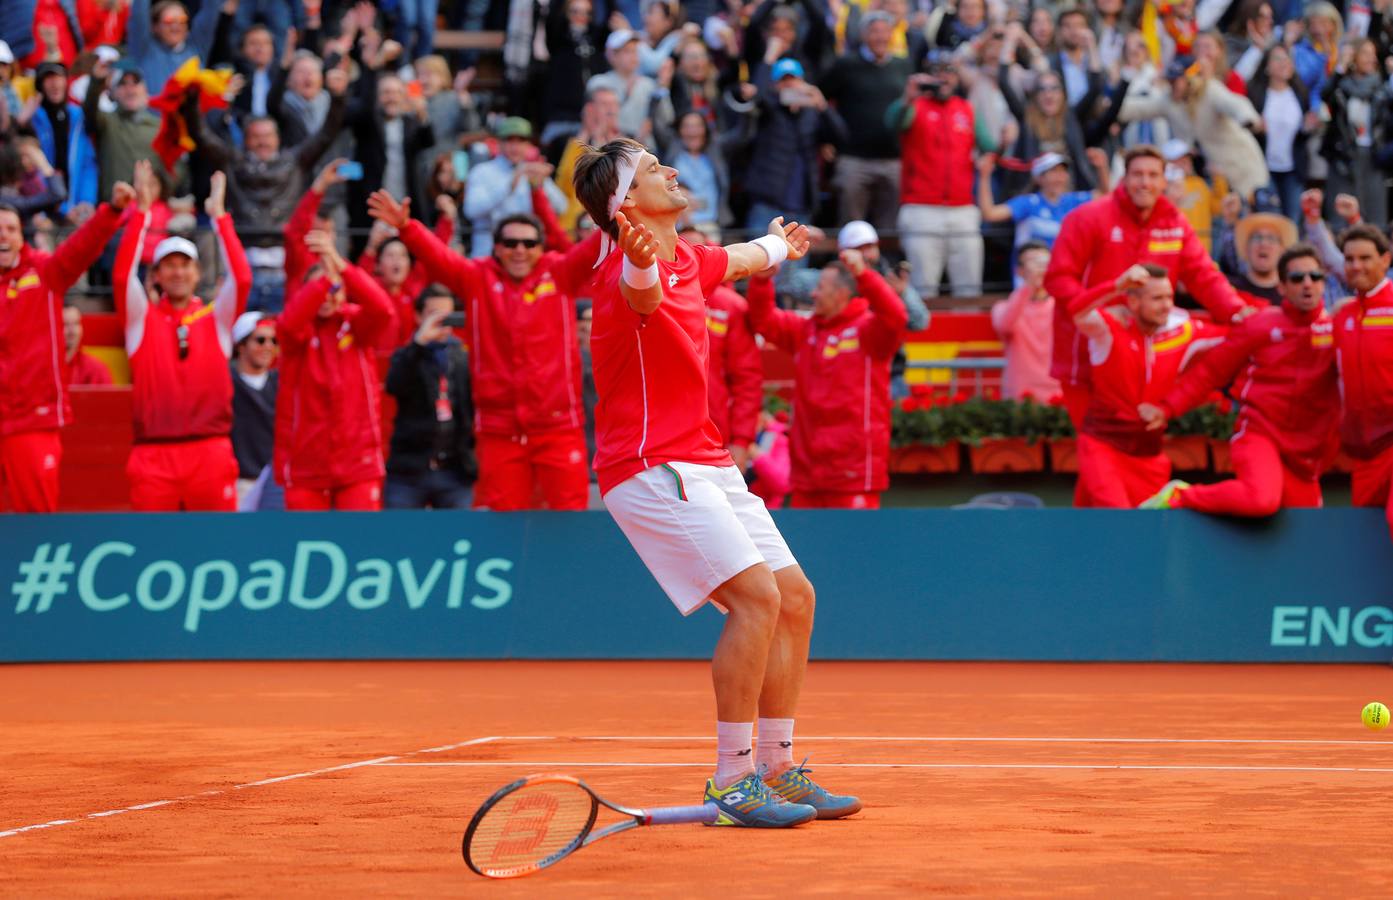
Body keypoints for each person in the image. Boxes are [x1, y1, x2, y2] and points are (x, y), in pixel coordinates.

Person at [571, 136, 858, 825]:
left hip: (704, 460)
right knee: (756, 600)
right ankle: (731, 783)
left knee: (793, 597)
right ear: (625, 203)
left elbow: (742, 258)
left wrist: (778, 244)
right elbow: (641, 290)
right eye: (649, 169)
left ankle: (777, 768)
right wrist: (639, 262)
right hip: (649, 467)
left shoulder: (691, 259)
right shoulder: (624, 273)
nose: (668, 169)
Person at [368, 181, 597, 512]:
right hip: (499, 430)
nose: (519, 249)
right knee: (505, 529)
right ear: (497, 247)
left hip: (558, 427)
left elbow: (593, 248)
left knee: (569, 522)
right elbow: (439, 257)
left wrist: (622, 209)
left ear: (540, 246)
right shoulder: (477, 278)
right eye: (510, 242)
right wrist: (406, 227)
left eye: (528, 243)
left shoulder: (559, 273)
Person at [1043, 144, 1248, 431]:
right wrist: (1100, 317)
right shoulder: (1087, 218)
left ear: (1165, 181)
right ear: (1124, 179)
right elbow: (1058, 279)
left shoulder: (1174, 221)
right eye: (1137, 174)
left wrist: (1237, 312)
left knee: (1141, 446)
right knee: (1097, 451)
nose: (1145, 182)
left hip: (1144, 361)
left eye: (1153, 175)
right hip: (1086, 358)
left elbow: (1203, 275)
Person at [1138, 244, 1338, 513]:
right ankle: (1181, 495)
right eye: (1296, 278)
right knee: (1260, 500)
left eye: (1315, 277)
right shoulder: (1260, 324)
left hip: (1304, 452)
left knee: (1309, 527)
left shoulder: (1337, 328)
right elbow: (1211, 370)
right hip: (1259, 434)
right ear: (1281, 287)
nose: (1307, 284)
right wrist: (1167, 408)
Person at [115, 163, 250, 511]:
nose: (177, 272)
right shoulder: (141, 319)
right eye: (169, 265)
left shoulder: (216, 318)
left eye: (184, 264)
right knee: (151, 552)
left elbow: (242, 278)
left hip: (210, 451)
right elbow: (120, 277)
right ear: (156, 274)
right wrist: (142, 213)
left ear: (197, 272)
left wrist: (220, 218)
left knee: (216, 552)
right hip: (153, 455)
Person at [0, 184, 129, 512]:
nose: (3, 236)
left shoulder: (44, 272)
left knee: (35, 524)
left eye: (10, 229)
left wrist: (111, 211)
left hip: (31, 421)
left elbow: (81, 249)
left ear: (21, 236)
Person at [747, 248, 908, 509]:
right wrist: (762, 281)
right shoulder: (806, 331)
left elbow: (896, 315)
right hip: (807, 475)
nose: (813, 294)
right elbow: (763, 320)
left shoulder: (870, 332)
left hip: (853, 475)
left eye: (820, 287)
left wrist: (863, 274)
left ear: (842, 293)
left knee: (856, 548)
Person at [184, 67, 348, 313]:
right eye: (256, 137)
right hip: (242, 259)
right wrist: (192, 99)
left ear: (278, 138)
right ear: (246, 140)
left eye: (268, 136)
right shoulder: (233, 160)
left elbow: (326, 134)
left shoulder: (295, 160)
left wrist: (338, 98)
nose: (263, 142)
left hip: (285, 261)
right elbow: (202, 135)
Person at [1068, 263, 1221, 508]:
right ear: (1134, 302)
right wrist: (1116, 286)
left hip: (1150, 456)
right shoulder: (1109, 328)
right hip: (1103, 447)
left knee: (1132, 531)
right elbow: (1076, 310)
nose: (1167, 305)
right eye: (1157, 298)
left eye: (1170, 297)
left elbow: (1239, 337)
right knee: (1120, 525)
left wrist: (1171, 407)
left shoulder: (1184, 331)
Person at [274, 230, 395, 511]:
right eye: (319, 290)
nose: (328, 296)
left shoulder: (356, 324)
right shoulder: (297, 336)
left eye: (334, 290)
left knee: (363, 548)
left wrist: (339, 265)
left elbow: (383, 309)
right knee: (303, 547)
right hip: (306, 468)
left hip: (358, 466)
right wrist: (326, 279)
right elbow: (288, 324)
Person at [888, 52, 985, 298]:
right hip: (922, 208)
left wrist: (999, 146)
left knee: (970, 288)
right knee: (923, 289)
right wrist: (908, 98)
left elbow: (990, 145)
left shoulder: (967, 109)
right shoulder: (915, 106)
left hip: (962, 208)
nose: (944, 77)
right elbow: (893, 123)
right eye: (937, 71)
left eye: (949, 71)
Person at [383, 285, 476, 509]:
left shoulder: (463, 356)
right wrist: (419, 342)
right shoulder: (407, 354)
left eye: (449, 316)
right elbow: (394, 384)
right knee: (400, 538)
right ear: (418, 316)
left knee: (459, 537)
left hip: (455, 471)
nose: (442, 323)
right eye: (435, 315)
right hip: (409, 472)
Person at [820, 11, 912, 231]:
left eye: (885, 32)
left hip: (893, 160)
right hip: (853, 159)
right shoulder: (845, 65)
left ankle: (887, 266)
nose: (880, 37)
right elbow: (821, 100)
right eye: (874, 32)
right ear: (863, 34)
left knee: (890, 228)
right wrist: (825, 139)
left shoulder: (904, 66)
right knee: (851, 227)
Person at [1331, 224, 1393, 544]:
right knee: (1368, 540)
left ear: (1385, 259)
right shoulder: (1343, 316)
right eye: (1350, 259)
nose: (1357, 266)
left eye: (1365, 258)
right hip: (1365, 452)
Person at [462, 117, 566, 258]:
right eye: (510, 141)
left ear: (529, 145)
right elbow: (471, 210)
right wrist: (508, 186)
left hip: (525, 256)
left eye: (521, 141)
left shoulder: (532, 170)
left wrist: (541, 184)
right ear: (499, 143)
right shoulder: (482, 171)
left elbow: (562, 207)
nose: (515, 147)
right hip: (488, 255)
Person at [991, 242, 1060, 402]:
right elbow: (1005, 326)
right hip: (1019, 396)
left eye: (1043, 262)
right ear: (1020, 271)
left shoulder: (1061, 307)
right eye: (1032, 262)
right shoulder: (1003, 307)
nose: (1039, 268)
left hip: (1057, 395)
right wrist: (1028, 286)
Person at [229, 310, 279, 510]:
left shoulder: (282, 382)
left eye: (273, 341)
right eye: (260, 340)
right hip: (239, 481)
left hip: (274, 483)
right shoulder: (226, 382)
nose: (268, 347)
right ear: (241, 345)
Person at [1227, 210, 1297, 304]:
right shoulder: (1229, 290)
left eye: (1271, 238)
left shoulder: (1292, 295)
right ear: (1246, 248)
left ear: (1282, 249)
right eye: (1257, 238)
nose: (1263, 244)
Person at [62, 305, 112, 385]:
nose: (71, 330)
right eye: (65, 324)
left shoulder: (96, 369)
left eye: (76, 323)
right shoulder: (43, 369)